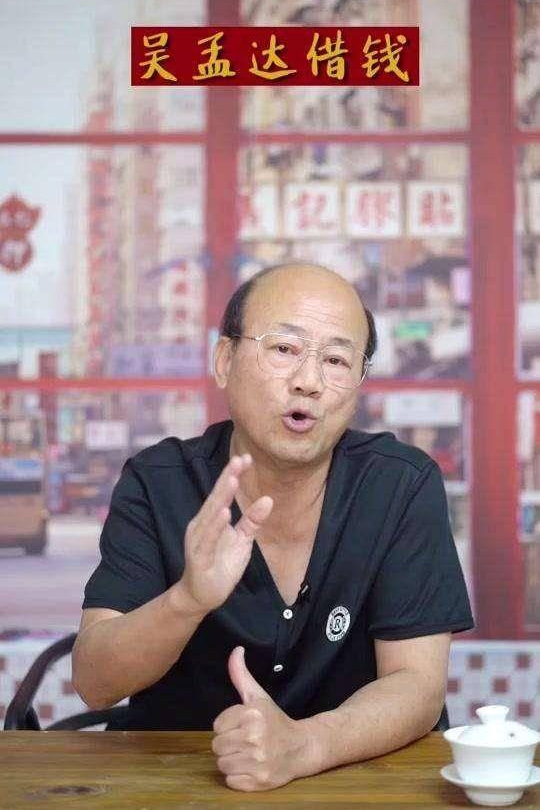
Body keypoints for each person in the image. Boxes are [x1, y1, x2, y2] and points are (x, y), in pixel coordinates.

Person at [72, 262, 474, 792]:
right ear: (225, 359)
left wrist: (304, 746)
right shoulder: (159, 482)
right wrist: (186, 601)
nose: (308, 382)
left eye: (335, 360)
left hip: (357, 785)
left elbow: (417, 684)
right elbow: (95, 682)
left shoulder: (399, 484)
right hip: (183, 786)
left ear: (359, 383)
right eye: (284, 349)